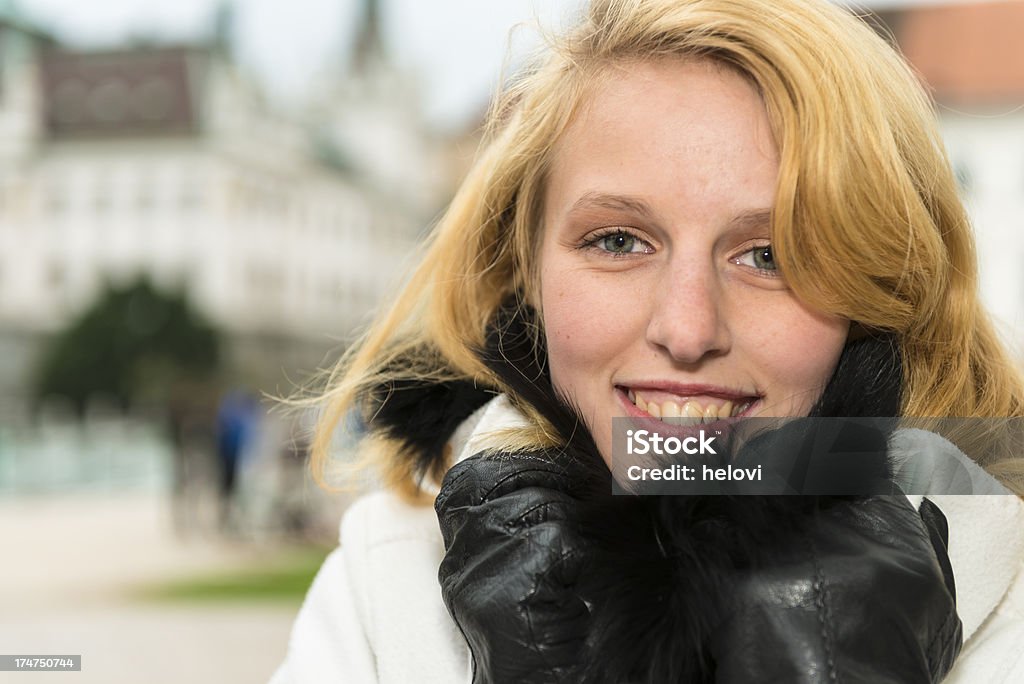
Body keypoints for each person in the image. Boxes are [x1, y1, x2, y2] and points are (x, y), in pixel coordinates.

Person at [272, 0, 1024, 681]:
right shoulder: (388, 573)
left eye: (772, 256)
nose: (688, 330)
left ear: (883, 290)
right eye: (619, 240)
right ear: (524, 268)